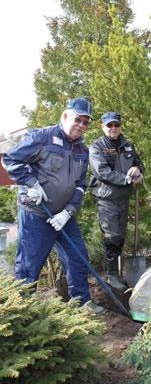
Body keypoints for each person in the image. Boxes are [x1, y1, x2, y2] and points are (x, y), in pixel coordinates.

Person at [2, 97, 104, 314]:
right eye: (78, 119)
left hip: (63, 216)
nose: (81, 125)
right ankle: (21, 313)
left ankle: (82, 305)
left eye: (86, 122)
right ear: (65, 116)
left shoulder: (82, 151)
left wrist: (68, 212)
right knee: (29, 267)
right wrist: (31, 184)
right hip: (36, 214)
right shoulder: (41, 137)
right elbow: (10, 160)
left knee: (78, 258)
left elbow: (80, 185)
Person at [89, 112, 144, 291]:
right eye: (109, 125)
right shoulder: (97, 147)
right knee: (112, 236)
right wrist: (126, 179)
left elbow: (140, 165)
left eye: (116, 125)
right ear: (102, 127)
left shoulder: (127, 145)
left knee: (120, 236)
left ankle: (117, 273)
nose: (113, 128)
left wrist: (137, 169)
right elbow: (102, 172)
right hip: (107, 198)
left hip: (123, 198)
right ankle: (111, 275)